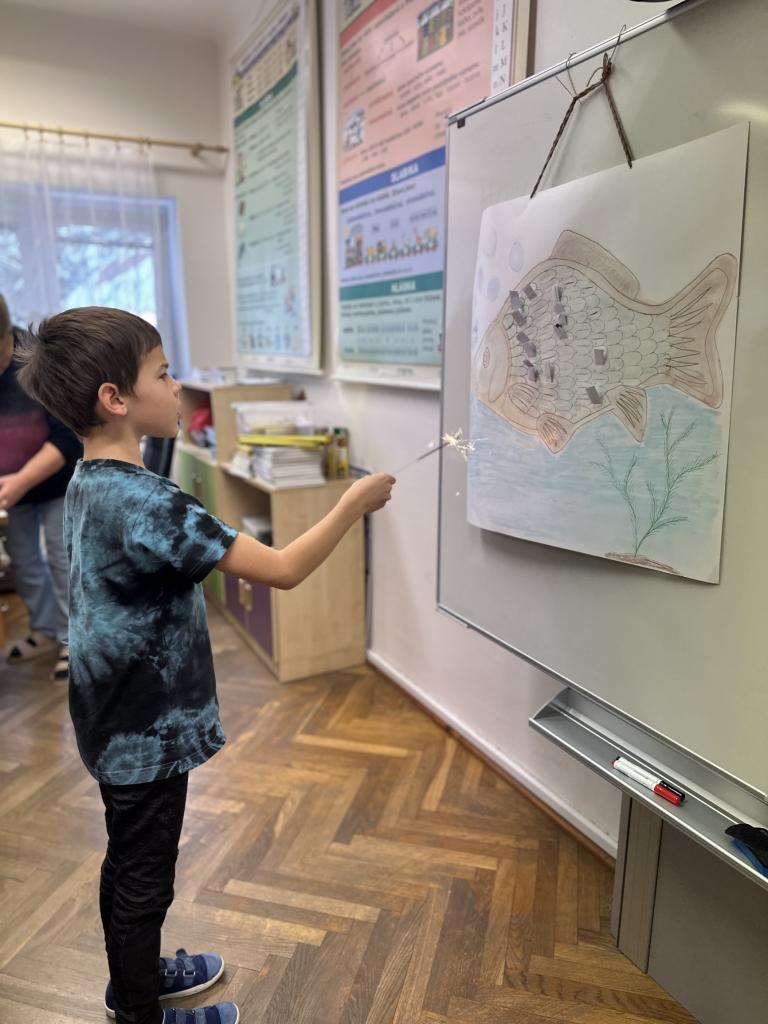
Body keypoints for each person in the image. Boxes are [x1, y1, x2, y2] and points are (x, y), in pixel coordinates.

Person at [16, 306, 395, 1024]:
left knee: (128, 861)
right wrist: (352, 503)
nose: (178, 386)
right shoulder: (151, 502)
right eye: (163, 374)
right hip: (145, 731)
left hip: (108, 717)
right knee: (144, 880)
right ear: (114, 398)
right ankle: (140, 1011)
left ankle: (134, 980)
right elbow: (282, 569)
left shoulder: (89, 478)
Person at [0, 294, 82, 680]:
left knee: (62, 557)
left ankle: (74, 639)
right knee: (23, 561)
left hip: (55, 481)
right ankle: (47, 630)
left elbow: (68, 436)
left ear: (6, 336)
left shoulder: (39, 358)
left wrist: (21, 480)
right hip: (9, 490)